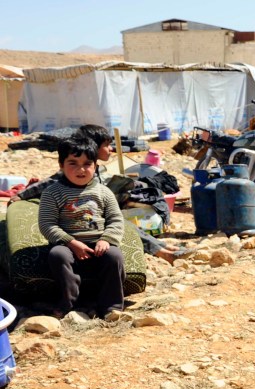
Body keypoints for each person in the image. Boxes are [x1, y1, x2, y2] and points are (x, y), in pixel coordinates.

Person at [12, 125, 185, 264]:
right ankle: (162, 252)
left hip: (99, 211)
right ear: (94, 147)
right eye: (106, 145)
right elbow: (47, 183)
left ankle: (162, 246)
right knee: (126, 225)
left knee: (122, 220)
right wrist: (20, 195)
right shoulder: (75, 171)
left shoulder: (94, 168)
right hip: (80, 221)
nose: (110, 149)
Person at [38, 136, 125, 319]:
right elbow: (47, 224)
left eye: (87, 164)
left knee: (114, 256)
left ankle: (112, 306)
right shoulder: (52, 193)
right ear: (61, 165)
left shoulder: (104, 192)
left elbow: (116, 220)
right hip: (68, 246)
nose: (81, 169)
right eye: (73, 163)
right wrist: (71, 242)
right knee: (57, 255)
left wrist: (106, 240)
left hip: (99, 245)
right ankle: (68, 304)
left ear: (96, 166)